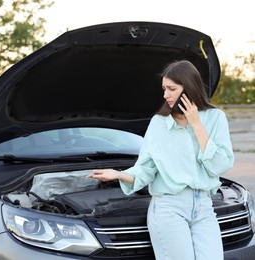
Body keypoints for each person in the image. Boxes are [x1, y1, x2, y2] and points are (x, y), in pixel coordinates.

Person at [87, 60, 234, 260]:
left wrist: (196, 124)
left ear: (189, 86)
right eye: (164, 89)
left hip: (204, 208)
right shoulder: (159, 124)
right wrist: (119, 174)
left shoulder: (216, 118)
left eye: (172, 89)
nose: (166, 95)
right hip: (168, 208)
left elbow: (220, 165)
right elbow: (146, 169)